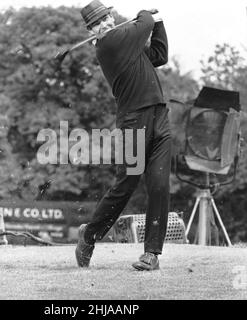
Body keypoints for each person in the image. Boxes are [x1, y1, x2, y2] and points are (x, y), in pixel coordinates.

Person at [76, 0, 171, 271]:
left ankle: (151, 254)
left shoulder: (128, 44)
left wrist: (160, 20)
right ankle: (89, 235)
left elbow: (160, 56)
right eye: (97, 23)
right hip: (133, 124)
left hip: (159, 117)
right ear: (92, 31)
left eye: (106, 18)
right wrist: (148, 14)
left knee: (160, 186)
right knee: (125, 186)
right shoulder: (108, 44)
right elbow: (144, 23)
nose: (104, 24)